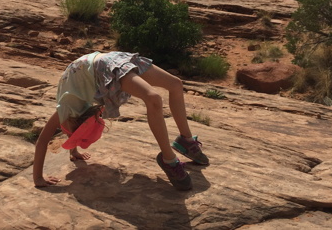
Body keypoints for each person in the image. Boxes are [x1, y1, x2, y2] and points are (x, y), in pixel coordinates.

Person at [33, 51, 209, 191]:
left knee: (160, 93)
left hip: (101, 66)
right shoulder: (75, 111)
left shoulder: (65, 110)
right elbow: (76, 128)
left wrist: (38, 178)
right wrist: (74, 152)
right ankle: (178, 149)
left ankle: (173, 155)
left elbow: (42, 141)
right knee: (171, 87)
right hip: (105, 59)